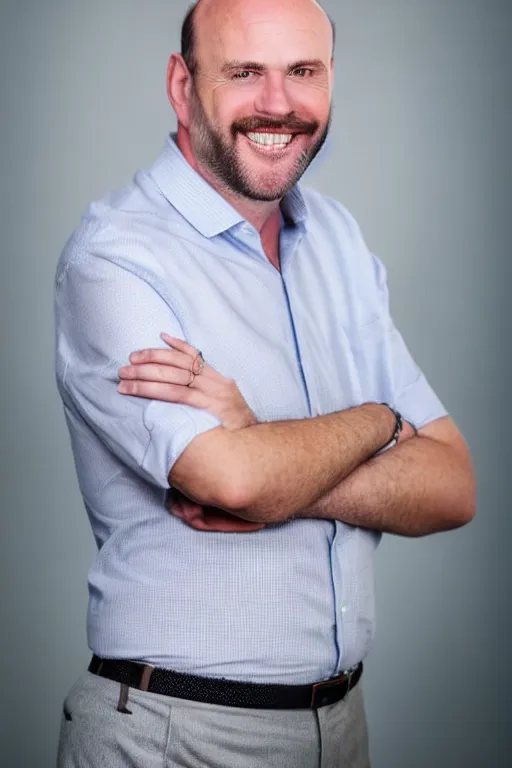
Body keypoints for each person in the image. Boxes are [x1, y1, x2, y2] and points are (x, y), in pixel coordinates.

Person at [54, 0, 476, 765]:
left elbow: (453, 485)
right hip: (176, 732)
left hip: (341, 725)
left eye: (302, 72)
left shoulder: (339, 242)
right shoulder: (116, 259)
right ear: (183, 87)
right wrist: (382, 424)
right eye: (245, 72)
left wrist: (271, 455)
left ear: (331, 79)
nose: (278, 104)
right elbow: (233, 480)